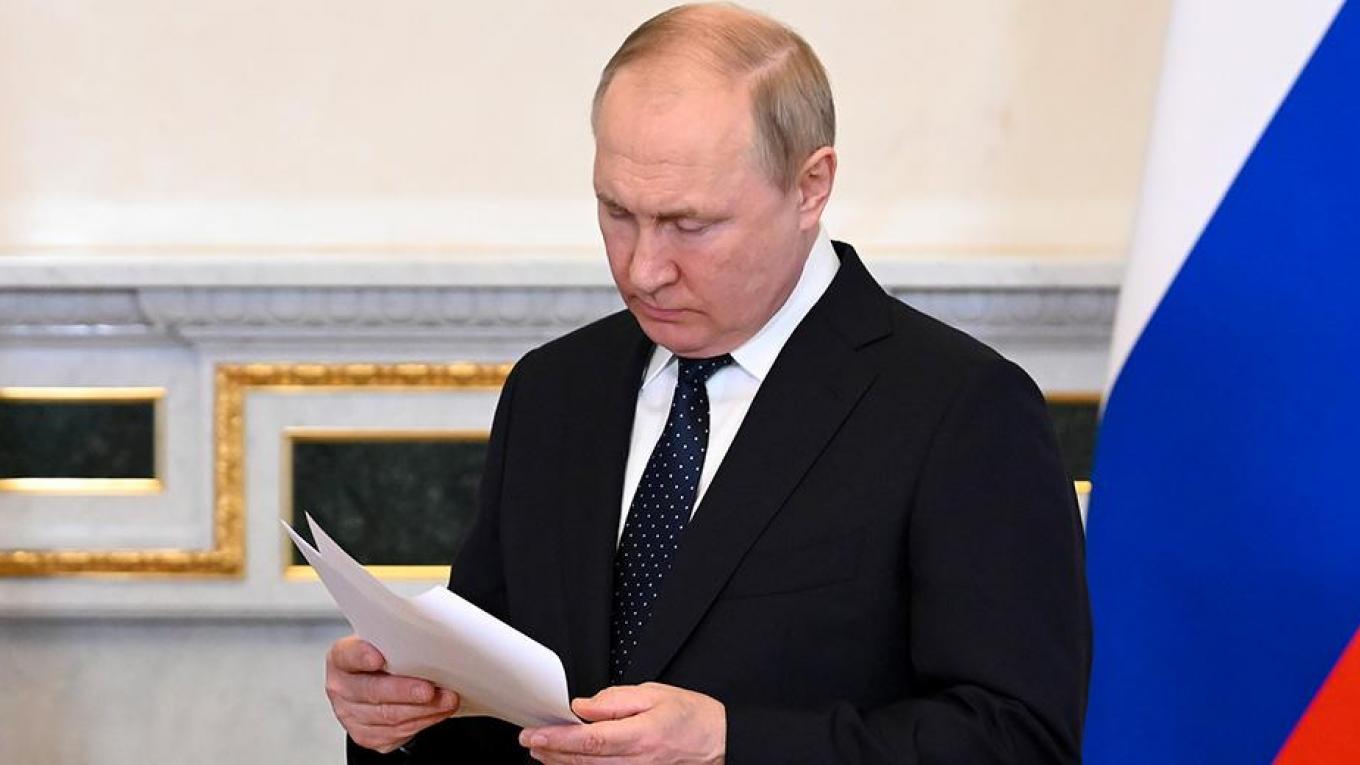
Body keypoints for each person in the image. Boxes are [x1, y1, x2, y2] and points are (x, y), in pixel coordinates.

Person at [325, 4, 1091, 763]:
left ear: (811, 186)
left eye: (689, 225)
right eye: (617, 212)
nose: (643, 268)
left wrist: (731, 744)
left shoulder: (961, 409)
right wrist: (401, 720)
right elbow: (494, 712)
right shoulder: (553, 391)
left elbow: (1017, 740)